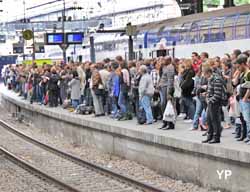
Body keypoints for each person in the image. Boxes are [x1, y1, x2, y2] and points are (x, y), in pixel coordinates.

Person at [202, 67, 224, 144]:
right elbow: (210, 90)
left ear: (208, 73)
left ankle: (216, 137)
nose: (203, 75)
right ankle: (210, 136)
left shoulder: (216, 79)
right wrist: (206, 95)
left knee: (215, 120)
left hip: (214, 103)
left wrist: (210, 100)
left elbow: (217, 94)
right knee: (209, 119)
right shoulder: (210, 79)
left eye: (204, 73)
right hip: (210, 102)